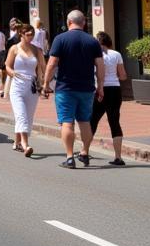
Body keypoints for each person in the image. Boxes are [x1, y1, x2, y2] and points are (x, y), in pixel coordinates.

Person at [42, 10, 104, 168]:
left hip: (65, 88)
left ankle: (70, 157)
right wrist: (101, 86)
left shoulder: (60, 39)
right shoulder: (93, 41)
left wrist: (45, 83)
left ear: (69, 22)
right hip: (87, 88)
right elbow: (100, 66)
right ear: (84, 23)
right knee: (85, 122)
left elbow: (52, 63)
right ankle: (84, 152)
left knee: (67, 123)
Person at [4, 23, 45, 157]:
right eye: (28, 34)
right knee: (21, 115)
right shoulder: (14, 49)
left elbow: (42, 68)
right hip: (17, 86)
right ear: (21, 34)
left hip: (32, 87)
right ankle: (25, 144)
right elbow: (7, 66)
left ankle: (16, 143)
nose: (31, 37)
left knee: (28, 116)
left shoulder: (36, 50)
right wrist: (13, 73)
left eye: (32, 34)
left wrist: (44, 84)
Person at [91, 32, 127, 166]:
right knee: (114, 121)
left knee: (92, 120)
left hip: (99, 89)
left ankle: (85, 152)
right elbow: (123, 75)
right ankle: (118, 157)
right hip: (114, 89)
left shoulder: (94, 54)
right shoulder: (116, 54)